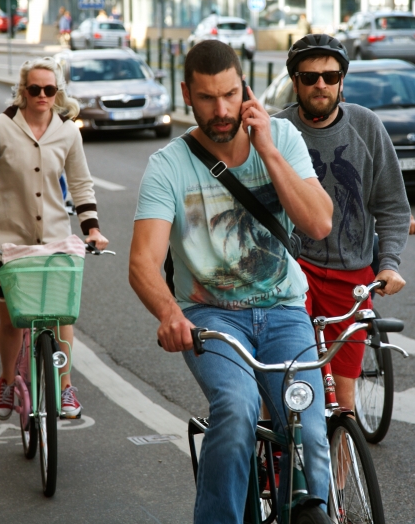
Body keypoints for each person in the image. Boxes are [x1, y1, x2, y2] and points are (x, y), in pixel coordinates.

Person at [128, 40, 333, 524]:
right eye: (206, 98)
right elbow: (142, 262)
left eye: (230, 94)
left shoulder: (280, 138)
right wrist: (170, 314)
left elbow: (319, 224)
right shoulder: (168, 166)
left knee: (309, 430)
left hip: (284, 310)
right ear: (186, 94)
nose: (221, 111)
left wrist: (267, 151)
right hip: (211, 318)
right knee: (238, 410)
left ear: (245, 88)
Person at [275, 34, 415, 413]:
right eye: (309, 77)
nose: (320, 84)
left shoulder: (366, 127)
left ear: (342, 80)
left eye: (330, 75)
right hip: (292, 272)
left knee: (344, 402)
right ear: (295, 81)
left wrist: (388, 264)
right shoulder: (276, 131)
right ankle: (274, 463)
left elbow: (392, 205)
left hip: (350, 277)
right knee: (287, 387)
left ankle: (340, 471)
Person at [0, 57, 109, 421]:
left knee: (62, 315)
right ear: (23, 91)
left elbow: (80, 183)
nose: (42, 95)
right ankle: (6, 381)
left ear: (57, 92)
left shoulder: (68, 132)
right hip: (7, 241)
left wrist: (91, 229)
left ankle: (65, 387)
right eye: (35, 89)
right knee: (12, 320)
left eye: (49, 89)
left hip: (54, 240)